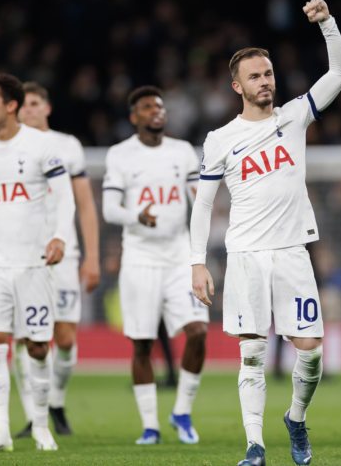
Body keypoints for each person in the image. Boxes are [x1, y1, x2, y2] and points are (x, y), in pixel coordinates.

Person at [191, 0, 341, 464]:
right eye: (256, 76)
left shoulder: (294, 116)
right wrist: (196, 263)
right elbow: (202, 205)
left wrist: (326, 23)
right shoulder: (220, 139)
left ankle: (296, 419)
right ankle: (255, 446)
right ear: (238, 85)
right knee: (253, 355)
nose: (266, 81)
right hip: (244, 255)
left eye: (269, 73)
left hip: (291, 252)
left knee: (311, 351)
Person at [0, 74, 75, 452]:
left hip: (33, 264)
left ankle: (41, 426)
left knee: (38, 347)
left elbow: (66, 197)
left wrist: (59, 236)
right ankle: (0, 432)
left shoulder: (43, 145)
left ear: (10, 105)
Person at [102, 85, 208, 445]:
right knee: (142, 345)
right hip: (140, 259)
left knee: (198, 333)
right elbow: (109, 209)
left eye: (159, 106)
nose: (156, 111)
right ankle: (150, 426)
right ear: (135, 117)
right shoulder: (120, 155)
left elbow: (200, 202)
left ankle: (182, 411)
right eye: (147, 107)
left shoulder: (182, 152)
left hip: (179, 257)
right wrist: (136, 215)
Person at [11, 81, 101, 437]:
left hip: (64, 254)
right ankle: (34, 414)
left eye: (34, 104)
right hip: (21, 255)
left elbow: (85, 205)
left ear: (46, 108)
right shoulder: (9, 147)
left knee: (63, 339)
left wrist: (91, 256)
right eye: (23, 105)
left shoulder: (68, 146)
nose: (28, 110)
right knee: (25, 338)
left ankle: (56, 402)